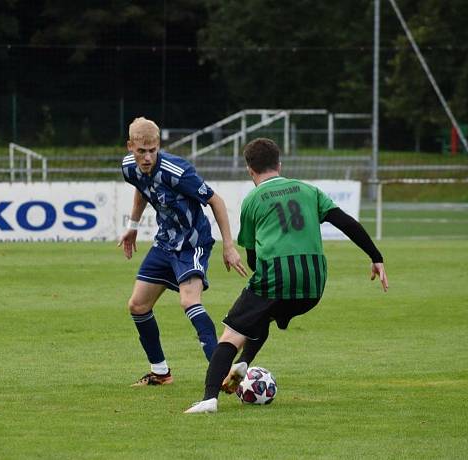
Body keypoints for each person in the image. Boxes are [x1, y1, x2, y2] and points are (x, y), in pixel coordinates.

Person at [185, 138, 388, 413]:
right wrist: (376, 257)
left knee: (232, 333)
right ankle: (245, 363)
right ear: (279, 165)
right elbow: (346, 222)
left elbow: (254, 256)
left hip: (277, 277)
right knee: (264, 314)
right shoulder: (309, 190)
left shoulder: (253, 200)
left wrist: (261, 275)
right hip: (314, 284)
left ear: (249, 170)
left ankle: (210, 399)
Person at [118, 117, 247, 386]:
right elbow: (142, 190)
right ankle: (161, 373)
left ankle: (222, 373)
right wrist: (132, 226)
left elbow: (215, 200)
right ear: (130, 146)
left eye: (153, 150)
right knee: (138, 305)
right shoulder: (129, 168)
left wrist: (228, 245)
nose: (147, 157)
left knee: (189, 301)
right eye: (141, 151)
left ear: (158, 145)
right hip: (164, 243)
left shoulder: (177, 171)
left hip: (192, 244)